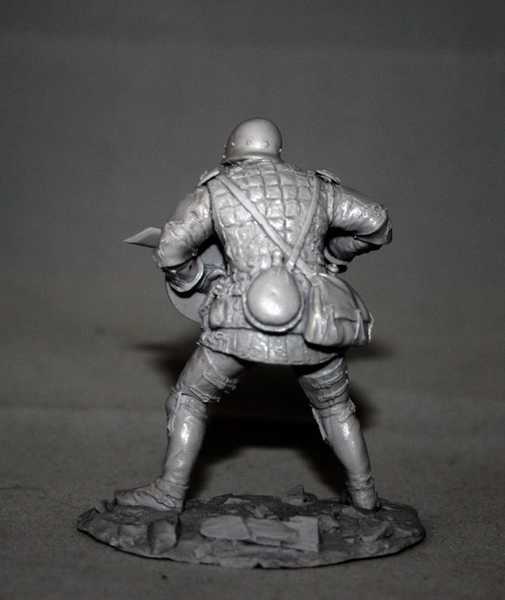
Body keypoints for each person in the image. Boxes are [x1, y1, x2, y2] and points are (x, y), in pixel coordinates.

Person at [116, 117, 392, 513]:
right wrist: (334, 254)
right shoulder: (319, 188)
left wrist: (194, 279)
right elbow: (377, 224)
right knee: (335, 408)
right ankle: (364, 495)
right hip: (313, 323)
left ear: (232, 151)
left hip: (239, 322)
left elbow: (172, 248)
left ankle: (170, 492)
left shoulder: (216, 190)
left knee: (190, 398)